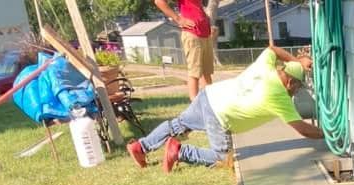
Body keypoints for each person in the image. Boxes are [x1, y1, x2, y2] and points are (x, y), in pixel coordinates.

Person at [127, 45, 324, 173]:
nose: (297, 92)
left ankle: (141, 146)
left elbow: (272, 49)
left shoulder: (265, 66)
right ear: (289, 81)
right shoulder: (280, 97)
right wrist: (329, 135)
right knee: (222, 158)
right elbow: (302, 129)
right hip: (219, 114)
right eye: (297, 87)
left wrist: (297, 61)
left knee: (178, 124)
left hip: (209, 95)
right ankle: (179, 151)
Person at [153, 0, 213, 101]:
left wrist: (206, 18)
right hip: (193, 34)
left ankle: (209, 103)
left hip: (205, 33)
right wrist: (178, 19)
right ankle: (194, 105)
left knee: (206, 73)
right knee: (195, 72)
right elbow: (159, 1)